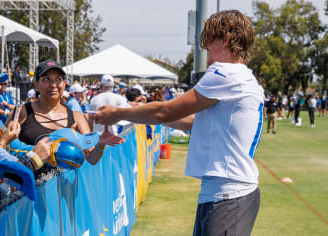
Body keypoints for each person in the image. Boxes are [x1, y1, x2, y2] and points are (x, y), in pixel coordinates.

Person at [93, 10, 262, 236]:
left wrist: (118, 113)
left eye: (209, 43)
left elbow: (166, 111)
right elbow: (193, 121)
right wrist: (137, 110)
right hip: (223, 192)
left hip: (228, 194)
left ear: (226, 40)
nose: (206, 52)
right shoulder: (242, 76)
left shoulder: (226, 73)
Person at [18, 60, 125, 166]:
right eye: (46, 79)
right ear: (36, 85)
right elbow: (4, 150)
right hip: (30, 182)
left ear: (64, 84)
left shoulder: (77, 117)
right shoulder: (21, 112)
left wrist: (100, 145)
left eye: (58, 79)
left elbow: (91, 159)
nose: (53, 84)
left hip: (66, 183)